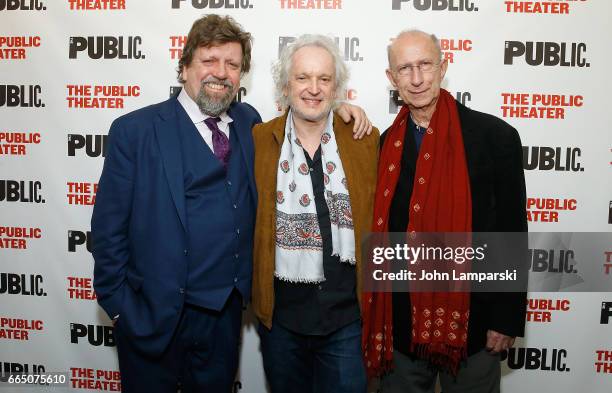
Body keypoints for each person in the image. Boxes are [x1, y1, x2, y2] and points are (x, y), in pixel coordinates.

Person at [91, 15, 370, 393]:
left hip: (222, 320)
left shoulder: (248, 124)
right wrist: (123, 309)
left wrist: (340, 110)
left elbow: (309, 115)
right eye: (209, 60)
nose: (220, 73)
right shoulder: (135, 131)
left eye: (233, 65)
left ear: (242, 75)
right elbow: (108, 232)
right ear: (185, 65)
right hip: (152, 317)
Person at [362, 29, 527, 393]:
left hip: (475, 324)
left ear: (443, 67)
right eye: (405, 69)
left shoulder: (495, 136)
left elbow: (513, 232)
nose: (417, 78)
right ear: (392, 79)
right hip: (401, 326)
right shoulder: (386, 143)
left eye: (425, 65)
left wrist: (506, 318)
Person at [251, 34, 379, 393]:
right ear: (285, 85)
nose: (313, 88)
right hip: (281, 322)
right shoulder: (259, 139)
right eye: (303, 77)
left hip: (347, 320)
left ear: (336, 87)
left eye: (324, 79)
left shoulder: (364, 141)